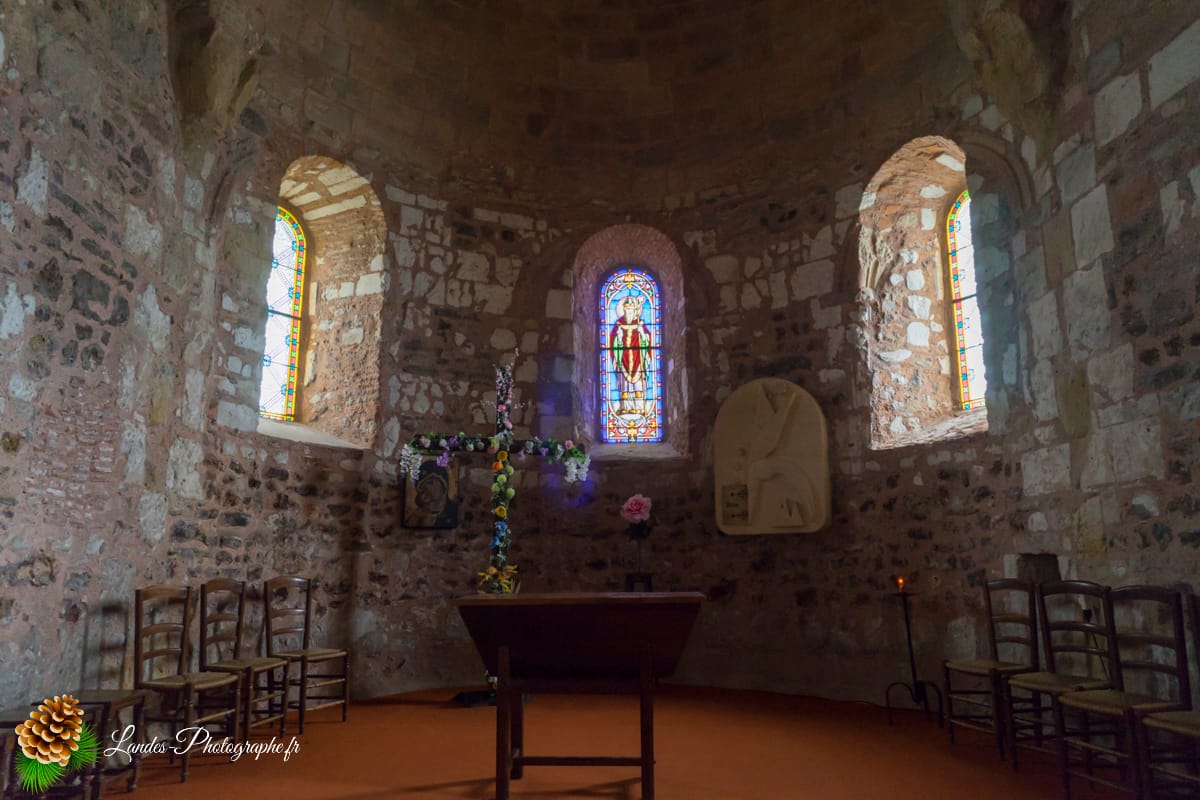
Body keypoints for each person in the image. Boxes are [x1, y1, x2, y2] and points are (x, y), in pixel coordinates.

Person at [609, 294, 652, 416]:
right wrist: (618, 337)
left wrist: (642, 333)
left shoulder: (639, 323)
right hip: (623, 358)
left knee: (637, 384)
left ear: (635, 311)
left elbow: (648, 340)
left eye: (631, 309)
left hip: (638, 357)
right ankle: (625, 407)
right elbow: (612, 342)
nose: (629, 311)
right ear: (623, 309)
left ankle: (639, 408)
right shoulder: (619, 324)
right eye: (627, 309)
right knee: (624, 386)